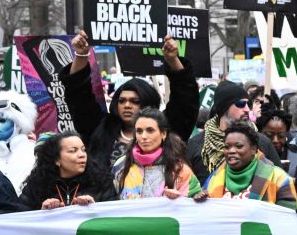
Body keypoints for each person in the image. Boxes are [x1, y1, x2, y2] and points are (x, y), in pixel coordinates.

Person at [62, 31, 198, 169]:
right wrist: (81, 54)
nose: (127, 105)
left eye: (135, 101)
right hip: (103, 190)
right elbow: (78, 95)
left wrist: (172, 59)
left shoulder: (167, 129)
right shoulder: (101, 128)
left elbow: (185, 99)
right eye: (122, 101)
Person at [196, 121, 297, 207]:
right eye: (227, 147)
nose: (231, 151)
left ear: (253, 149)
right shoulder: (214, 178)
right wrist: (200, 200)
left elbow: (287, 218)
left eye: (239, 146)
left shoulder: (279, 178)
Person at [18, 131, 118, 211]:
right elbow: (19, 219)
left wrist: (93, 209)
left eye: (83, 150)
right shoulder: (36, 185)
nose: (82, 155)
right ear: (56, 159)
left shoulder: (101, 181)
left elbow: (114, 216)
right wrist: (42, 212)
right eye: (73, 151)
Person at [115, 108, 196, 202]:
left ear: (164, 134)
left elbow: (194, 206)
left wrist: (179, 199)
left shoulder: (180, 169)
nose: (144, 136)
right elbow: (110, 201)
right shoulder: (120, 165)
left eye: (150, 130)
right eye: (139, 131)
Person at [193, 81, 256, 180]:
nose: (247, 109)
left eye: (248, 104)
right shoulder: (196, 145)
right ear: (224, 108)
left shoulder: (260, 141)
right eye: (241, 104)